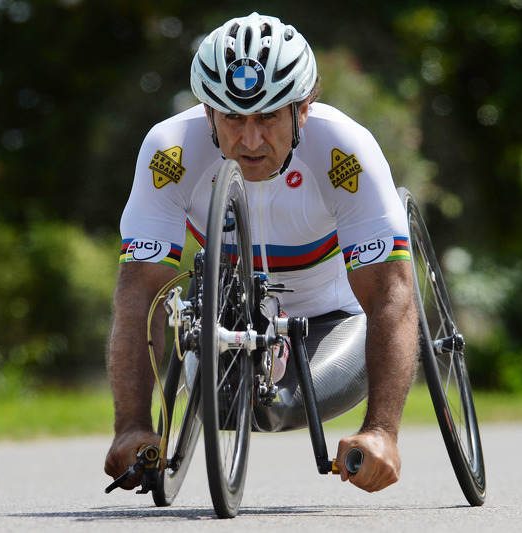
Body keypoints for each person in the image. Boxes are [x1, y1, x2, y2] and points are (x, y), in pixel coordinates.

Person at [104, 12, 419, 494]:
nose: (249, 142)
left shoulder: (345, 150)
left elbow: (390, 296)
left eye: (269, 116)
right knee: (233, 406)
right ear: (207, 110)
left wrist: (383, 431)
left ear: (304, 109)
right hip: (233, 316)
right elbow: (138, 296)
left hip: (335, 316)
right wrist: (130, 424)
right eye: (232, 117)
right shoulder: (170, 151)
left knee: (283, 410)